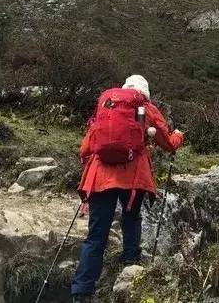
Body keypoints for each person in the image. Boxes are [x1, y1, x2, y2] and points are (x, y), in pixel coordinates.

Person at [71, 75, 185, 302]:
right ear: (146, 92)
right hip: (134, 177)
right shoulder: (146, 108)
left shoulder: (107, 105)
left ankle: (82, 290)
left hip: (100, 178)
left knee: (96, 235)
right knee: (131, 218)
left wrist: (92, 162)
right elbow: (168, 143)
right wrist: (179, 136)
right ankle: (130, 265)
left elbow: (85, 148)